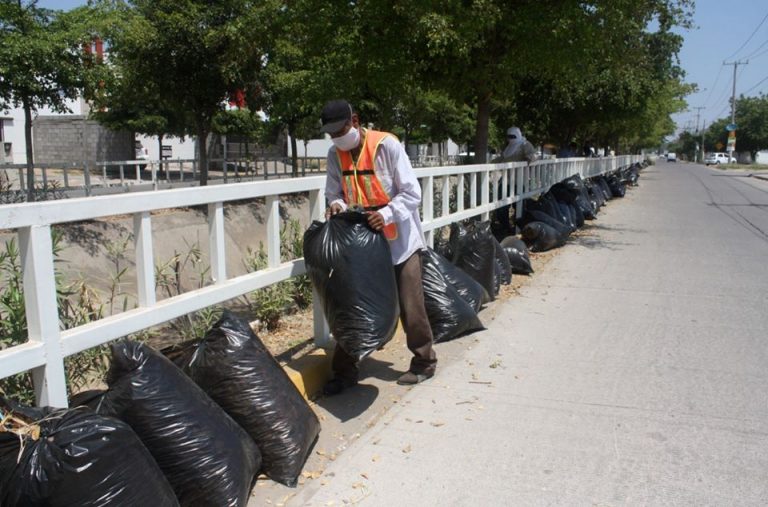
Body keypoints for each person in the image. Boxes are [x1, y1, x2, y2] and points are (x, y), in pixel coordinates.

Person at [320, 99, 437, 396]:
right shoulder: (336, 155)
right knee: (353, 305)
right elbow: (334, 192)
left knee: (411, 303)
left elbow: (412, 193)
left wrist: (385, 214)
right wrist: (336, 205)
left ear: (355, 121)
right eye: (332, 134)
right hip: (363, 246)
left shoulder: (387, 146)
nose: (337, 138)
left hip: (399, 240)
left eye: (341, 130)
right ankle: (345, 371)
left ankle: (424, 361)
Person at [492, 127, 537, 235]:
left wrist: (528, 159)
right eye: (508, 136)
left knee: (519, 206)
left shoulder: (525, 144)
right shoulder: (508, 148)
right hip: (506, 180)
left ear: (518, 135)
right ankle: (506, 228)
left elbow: (533, 156)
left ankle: (520, 230)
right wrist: (488, 163)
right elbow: (501, 158)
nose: (510, 139)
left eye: (512, 136)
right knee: (501, 204)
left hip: (520, 180)